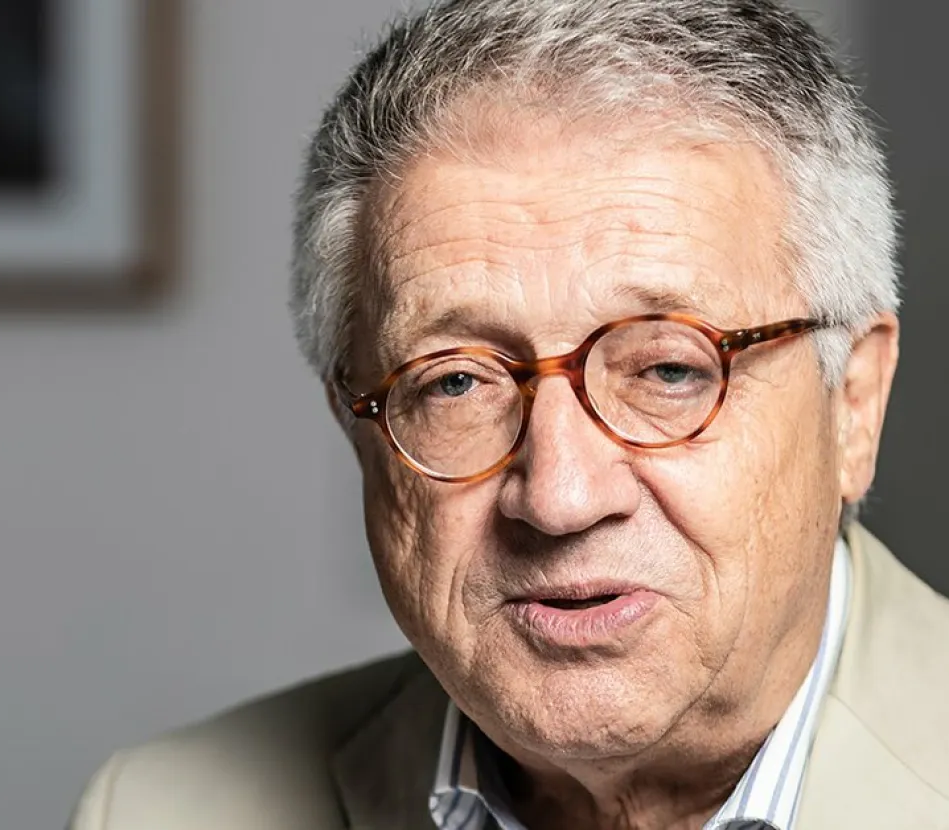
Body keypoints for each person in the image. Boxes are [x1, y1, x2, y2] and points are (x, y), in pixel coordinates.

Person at [70, 0, 949, 827]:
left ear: (854, 403)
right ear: (358, 431)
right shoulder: (154, 810)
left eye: (667, 370)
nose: (559, 497)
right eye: (455, 383)